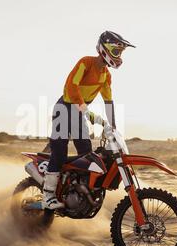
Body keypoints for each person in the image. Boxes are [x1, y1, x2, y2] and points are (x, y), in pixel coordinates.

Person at [42, 31, 135, 209]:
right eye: (116, 52)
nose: (119, 57)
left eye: (120, 53)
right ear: (104, 49)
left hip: (79, 112)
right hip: (65, 108)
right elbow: (71, 86)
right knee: (59, 154)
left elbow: (108, 101)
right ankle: (48, 196)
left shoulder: (106, 75)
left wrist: (113, 126)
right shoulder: (86, 62)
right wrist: (85, 110)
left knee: (86, 153)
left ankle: (80, 191)